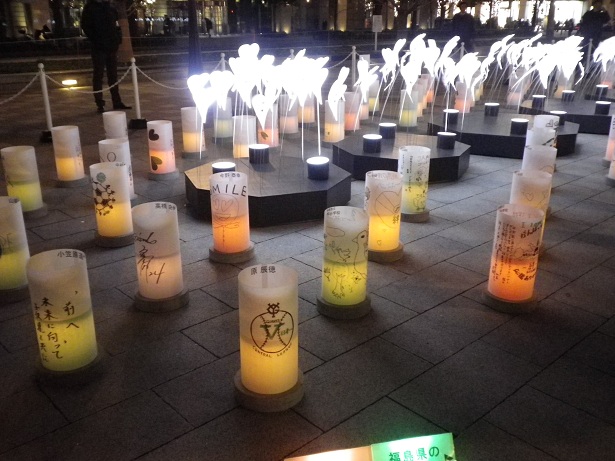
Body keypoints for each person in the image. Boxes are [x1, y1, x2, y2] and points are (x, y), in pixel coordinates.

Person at [81, 0, 131, 113]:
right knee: (98, 75)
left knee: (113, 75)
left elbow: (116, 25)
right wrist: (96, 40)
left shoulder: (111, 8)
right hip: (98, 48)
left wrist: (118, 39)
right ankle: (100, 103)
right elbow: (85, 26)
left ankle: (117, 101)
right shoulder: (90, 8)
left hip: (111, 46)